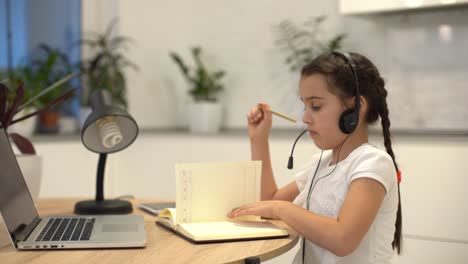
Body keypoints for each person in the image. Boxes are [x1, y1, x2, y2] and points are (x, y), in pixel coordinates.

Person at [227, 51, 402, 264]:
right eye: (305, 106)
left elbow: (342, 239)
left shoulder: (373, 163)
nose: (305, 118)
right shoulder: (320, 164)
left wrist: (282, 209)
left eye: (316, 106)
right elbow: (269, 203)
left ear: (356, 108)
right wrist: (259, 139)